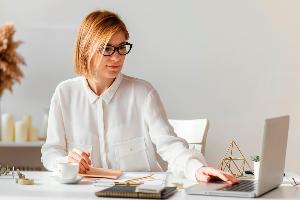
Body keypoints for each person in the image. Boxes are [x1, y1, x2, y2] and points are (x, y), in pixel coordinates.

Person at [41, 10, 238, 184]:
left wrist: (196, 169)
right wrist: (66, 162)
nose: (117, 57)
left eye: (121, 47)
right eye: (107, 49)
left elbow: (169, 146)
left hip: (140, 193)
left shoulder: (143, 93)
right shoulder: (64, 94)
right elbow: (51, 152)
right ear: (86, 49)